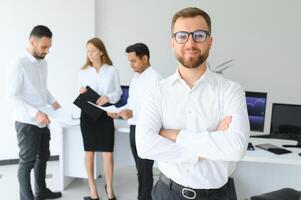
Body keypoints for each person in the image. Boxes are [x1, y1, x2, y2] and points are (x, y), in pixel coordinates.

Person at [135, 7, 250, 200]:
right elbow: (145, 146)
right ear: (172, 42)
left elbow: (237, 148)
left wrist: (174, 134)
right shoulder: (157, 91)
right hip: (168, 193)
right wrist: (209, 146)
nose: (190, 42)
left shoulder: (231, 90)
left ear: (210, 41)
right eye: (182, 36)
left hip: (219, 196)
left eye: (199, 35)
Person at [7, 25, 62, 200]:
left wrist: (53, 102)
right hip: (26, 122)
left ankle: (41, 191)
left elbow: (42, 89)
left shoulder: (43, 62)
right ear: (32, 42)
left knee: (43, 157)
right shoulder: (18, 63)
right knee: (27, 162)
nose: (47, 51)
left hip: (42, 120)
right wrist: (35, 113)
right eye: (44, 47)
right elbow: (12, 96)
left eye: (49, 47)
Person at [108, 43, 161, 200]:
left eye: (134, 61)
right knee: (140, 169)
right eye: (129, 61)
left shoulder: (156, 78)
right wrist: (118, 112)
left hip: (147, 129)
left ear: (144, 58)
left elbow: (156, 108)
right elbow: (131, 103)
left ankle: (144, 198)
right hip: (134, 127)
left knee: (145, 169)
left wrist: (132, 112)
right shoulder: (136, 79)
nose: (131, 65)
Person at [78, 37, 122, 200]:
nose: (89, 54)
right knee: (89, 152)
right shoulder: (83, 72)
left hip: (105, 115)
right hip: (88, 116)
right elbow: (79, 92)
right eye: (88, 51)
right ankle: (92, 189)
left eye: (92, 50)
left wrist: (108, 97)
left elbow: (118, 93)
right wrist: (81, 92)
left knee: (108, 154)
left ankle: (110, 189)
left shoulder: (111, 70)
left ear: (101, 51)